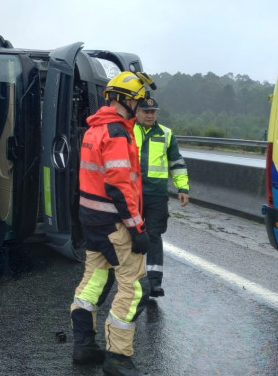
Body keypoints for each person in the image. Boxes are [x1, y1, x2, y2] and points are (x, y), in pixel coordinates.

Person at [70, 71, 154, 376]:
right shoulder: (117, 132)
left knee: (94, 280)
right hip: (115, 224)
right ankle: (117, 359)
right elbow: (120, 187)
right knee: (134, 289)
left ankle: (84, 347)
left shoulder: (94, 129)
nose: (139, 105)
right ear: (123, 99)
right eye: (137, 100)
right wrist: (137, 229)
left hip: (92, 222)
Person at [134, 96, 189, 298]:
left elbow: (176, 163)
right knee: (132, 234)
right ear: (137, 112)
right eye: (146, 111)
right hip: (133, 193)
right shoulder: (128, 130)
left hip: (157, 194)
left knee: (154, 235)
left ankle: (154, 283)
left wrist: (182, 188)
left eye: (153, 112)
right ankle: (132, 279)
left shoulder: (166, 134)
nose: (150, 115)